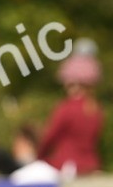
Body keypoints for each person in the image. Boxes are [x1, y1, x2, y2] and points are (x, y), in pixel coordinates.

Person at [36, 39, 104, 176]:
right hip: (92, 166)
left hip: (66, 167)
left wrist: (38, 156)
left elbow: (48, 138)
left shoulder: (66, 108)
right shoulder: (96, 110)